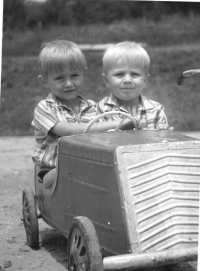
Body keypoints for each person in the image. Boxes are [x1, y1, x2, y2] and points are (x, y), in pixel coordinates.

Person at [31, 40, 133, 189]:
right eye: (60, 78)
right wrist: (117, 124)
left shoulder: (92, 106)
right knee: (53, 178)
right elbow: (68, 131)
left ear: (83, 74)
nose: (68, 83)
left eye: (74, 75)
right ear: (45, 81)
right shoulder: (44, 108)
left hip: (84, 164)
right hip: (52, 167)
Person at [98, 41, 170, 130]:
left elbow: (162, 141)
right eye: (119, 74)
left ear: (145, 80)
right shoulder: (101, 109)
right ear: (106, 80)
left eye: (134, 74)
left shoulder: (156, 110)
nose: (127, 80)